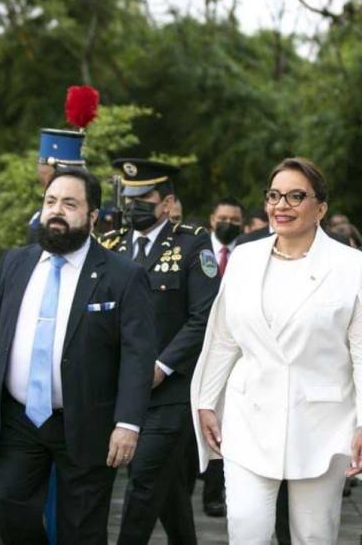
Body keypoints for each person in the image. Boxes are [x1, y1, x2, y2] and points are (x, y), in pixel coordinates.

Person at [191, 157, 362, 544]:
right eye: (275, 196)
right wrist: (206, 401)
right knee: (246, 530)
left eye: (296, 196)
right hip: (249, 419)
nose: (282, 205)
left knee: (314, 536)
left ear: (321, 208)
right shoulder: (245, 259)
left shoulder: (352, 265)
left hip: (322, 423)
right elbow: (224, 337)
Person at [0, 169, 156, 545]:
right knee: (9, 508)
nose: (57, 211)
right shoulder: (16, 262)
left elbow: (138, 355)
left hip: (88, 420)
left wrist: (128, 424)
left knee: (81, 529)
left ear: (92, 216)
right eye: (51, 202)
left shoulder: (123, 275)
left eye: (70, 204)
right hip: (19, 418)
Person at [100, 159, 220, 545]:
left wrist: (162, 366)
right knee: (166, 489)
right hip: (119, 387)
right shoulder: (113, 245)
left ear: (167, 204)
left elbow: (204, 317)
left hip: (170, 390)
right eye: (129, 196)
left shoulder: (192, 242)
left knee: (144, 481)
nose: (134, 204)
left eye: (144, 197)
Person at [199, 197, 244, 516]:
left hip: (235, 349)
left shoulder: (247, 255)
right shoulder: (198, 251)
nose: (228, 223)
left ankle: (215, 494)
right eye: (223, 217)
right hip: (200, 347)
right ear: (212, 220)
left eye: (234, 219)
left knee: (225, 420)